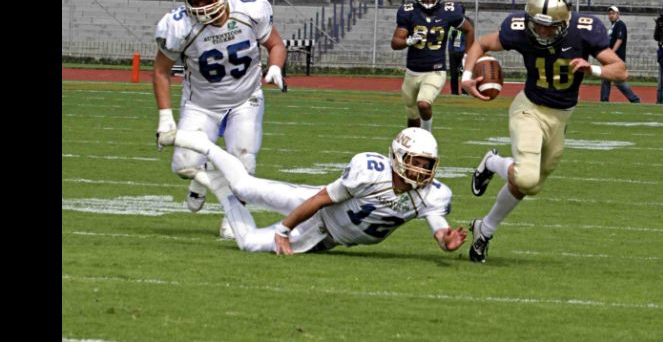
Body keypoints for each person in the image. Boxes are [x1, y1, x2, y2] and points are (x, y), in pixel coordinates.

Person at [461, 0, 628, 263]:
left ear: (564, 22)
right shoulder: (519, 29)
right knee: (526, 176)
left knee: (531, 186)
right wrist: (466, 76)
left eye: (548, 27)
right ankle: (491, 167)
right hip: (529, 109)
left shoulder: (584, 30)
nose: (541, 31)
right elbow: (481, 44)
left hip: (561, 118)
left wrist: (592, 68)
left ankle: (484, 228)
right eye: (536, 24)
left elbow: (621, 70)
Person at [157, 127, 467, 255]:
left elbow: (436, 222)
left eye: (427, 164)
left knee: (248, 243)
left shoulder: (433, 194)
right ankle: (201, 143)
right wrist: (283, 229)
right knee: (244, 186)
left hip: (324, 236)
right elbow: (321, 198)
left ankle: (218, 187)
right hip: (314, 206)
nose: (422, 171)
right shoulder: (369, 171)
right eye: (416, 162)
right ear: (398, 156)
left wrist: (445, 239)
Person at [153, 0, 287, 239]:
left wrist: (275, 67)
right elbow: (160, 71)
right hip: (201, 104)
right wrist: (165, 117)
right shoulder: (179, 25)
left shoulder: (250, 10)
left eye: (207, 0)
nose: (201, 8)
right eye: (195, 2)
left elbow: (275, 44)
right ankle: (205, 176)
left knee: (244, 159)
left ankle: (234, 216)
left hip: (245, 99)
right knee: (183, 165)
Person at [391, 0, 475, 131]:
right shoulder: (408, 12)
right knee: (412, 116)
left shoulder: (449, 11)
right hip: (412, 72)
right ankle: (414, 141)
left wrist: (467, 55)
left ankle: (428, 135)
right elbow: (395, 42)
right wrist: (409, 41)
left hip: (435, 71)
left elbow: (469, 29)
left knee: (423, 103)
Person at [600, 6, 640, 103]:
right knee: (605, 79)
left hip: (616, 58)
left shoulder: (620, 24)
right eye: (609, 14)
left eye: (613, 13)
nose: (611, 15)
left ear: (618, 14)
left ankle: (634, 99)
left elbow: (619, 40)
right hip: (611, 58)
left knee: (618, 82)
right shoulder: (613, 26)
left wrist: (611, 53)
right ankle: (604, 100)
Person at [447, 26, 467, 95]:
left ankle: (465, 91)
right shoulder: (451, 26)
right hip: (453, 52)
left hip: (463, 52)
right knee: (453, 73)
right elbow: (448, 36)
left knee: (463, 73)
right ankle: (454, 92)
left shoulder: (466, 24)